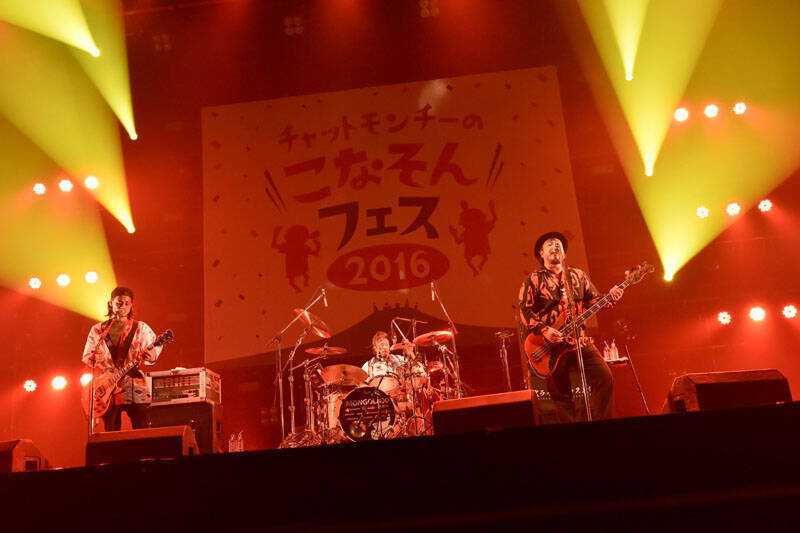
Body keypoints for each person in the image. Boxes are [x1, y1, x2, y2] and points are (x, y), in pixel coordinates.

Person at [517, 232, 623, 422]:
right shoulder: (533, 279)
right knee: (561, 396)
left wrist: (611, 297)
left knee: (605, 378)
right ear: (541, 253)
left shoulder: (577, 275)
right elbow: (525, 310)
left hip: (579, 341)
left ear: (564, 254)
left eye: (558, 244)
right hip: (551, 348)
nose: (555, 246)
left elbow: (593, 301)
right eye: (550, 244)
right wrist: (545, 330)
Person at [82, 286, 164, 431]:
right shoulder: (98, 329)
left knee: (141, 425)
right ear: (111, 303)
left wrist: (151, 355)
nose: (123, 307)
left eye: (127, 303)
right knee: (111, 429)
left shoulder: (140, 327)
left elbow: (153, 353)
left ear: (131, 305)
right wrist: (94, 358)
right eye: (119, 303)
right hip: (107, 383)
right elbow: (87, 356)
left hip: (133, 381)